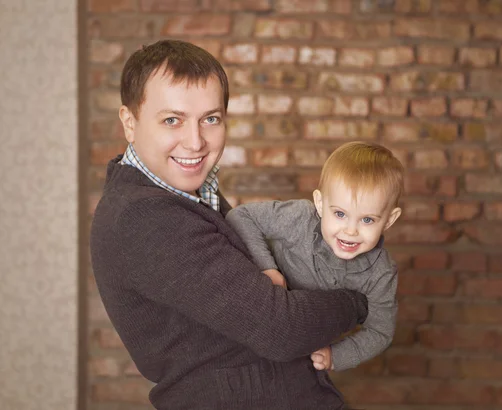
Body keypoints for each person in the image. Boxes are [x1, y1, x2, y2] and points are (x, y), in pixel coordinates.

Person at [89, 39, 369, 410]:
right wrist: (361, 298)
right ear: (129, 121)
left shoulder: (183, 193)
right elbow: (279, 329)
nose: (195, 142)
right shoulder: (147, 218)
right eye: (172, 119)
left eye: (211, 119)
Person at [226, 142, 403, 372]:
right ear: (320, 204)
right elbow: (241, 216)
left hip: (299, 342)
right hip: (253, 316)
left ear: (389, 220)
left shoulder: (381, 273)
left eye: (367, 220)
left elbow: (380, 331)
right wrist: (267, 268)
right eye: (340, 214)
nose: (350, 231)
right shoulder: (301, 218)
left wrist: (336, 356)